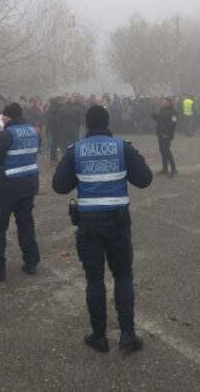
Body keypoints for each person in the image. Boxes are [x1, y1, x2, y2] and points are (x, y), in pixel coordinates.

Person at [52, 105, 153, 353]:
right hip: (118, 222)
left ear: (86, 124)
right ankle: (128, 335)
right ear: (108, 123)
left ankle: (99, 337)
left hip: (88, 223)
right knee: (123, 275)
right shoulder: (122, 148)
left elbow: (59, 186)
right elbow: (145, 180)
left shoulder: (76, 151)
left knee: (94, 279)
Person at [0, 103, 41, 281]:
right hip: (29, 183)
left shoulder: (5, 134)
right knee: (26, 223)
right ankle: (31, 262)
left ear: (8, 117)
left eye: (3, 116)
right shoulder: (34, 131)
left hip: (8, 185)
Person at [151, 97, 178, 176]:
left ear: (168, 103)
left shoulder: (173, 112)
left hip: (167, 135)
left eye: (163, 102)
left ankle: (173, 169)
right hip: (160, 134)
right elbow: (158, 118)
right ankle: (165, 169)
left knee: (166, 151)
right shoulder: (162, 110)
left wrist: (167, 133)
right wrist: (153, 115)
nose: (162, 103)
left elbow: (173, 123)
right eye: (162, 102)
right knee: (162, 151)